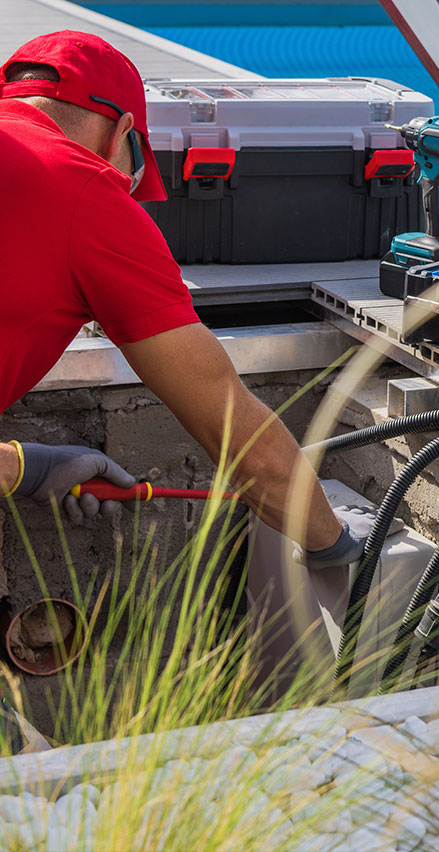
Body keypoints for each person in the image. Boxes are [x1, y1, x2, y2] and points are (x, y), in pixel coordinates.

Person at [0, 31, 370, 571]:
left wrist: (25, 467)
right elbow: (244, 443)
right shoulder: (87, 191)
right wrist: (332, 542)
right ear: (122, 131)